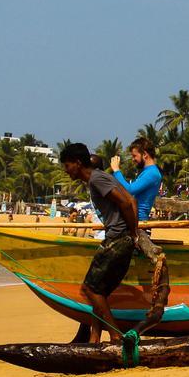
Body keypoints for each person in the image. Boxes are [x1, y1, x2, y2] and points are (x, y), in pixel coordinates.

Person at [60, 143, 169, 346]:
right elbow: (131, 201)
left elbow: (127, 203)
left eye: (67, 165)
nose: (66, 171)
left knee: (89, 290)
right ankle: (94, 339)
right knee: (99, 292)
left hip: (117, 238)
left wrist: (132, 234)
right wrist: (132, 234)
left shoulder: (96, 179)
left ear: (77, 163)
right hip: (122, 237)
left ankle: (115, 334)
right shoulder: (98, 179)